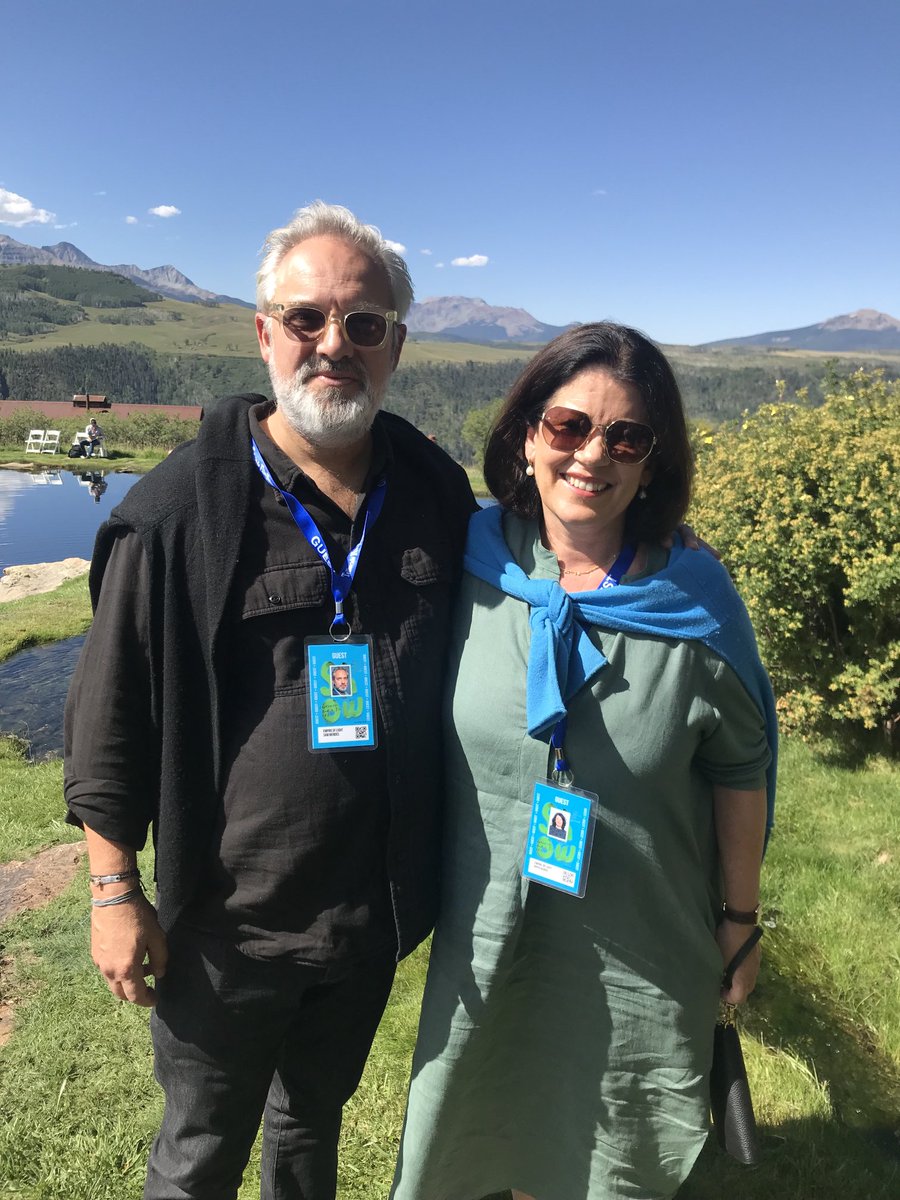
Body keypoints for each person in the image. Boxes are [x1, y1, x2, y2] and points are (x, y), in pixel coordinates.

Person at [63, 201, 476, 1200]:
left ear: (397, 346)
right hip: (225, 930)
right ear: (264, 333)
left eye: (364, 324)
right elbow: (109, 717)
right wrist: (116, 893)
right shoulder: (174, 514)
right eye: (307, 319)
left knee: (309, 1135)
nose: (334, 344)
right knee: (199, 1155)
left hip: (371, 917)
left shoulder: (434, 493)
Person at [391, 323, 777, 1200]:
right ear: (526, 435)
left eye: (626, 436)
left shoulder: (694, 599)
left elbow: (742, 766)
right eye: (568, 426)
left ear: (652, 461)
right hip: (487, 932)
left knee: (610, 1145)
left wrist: (741, 918)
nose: (592, 454)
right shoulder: (473, 559)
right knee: (502, 1120)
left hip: (637, 939)